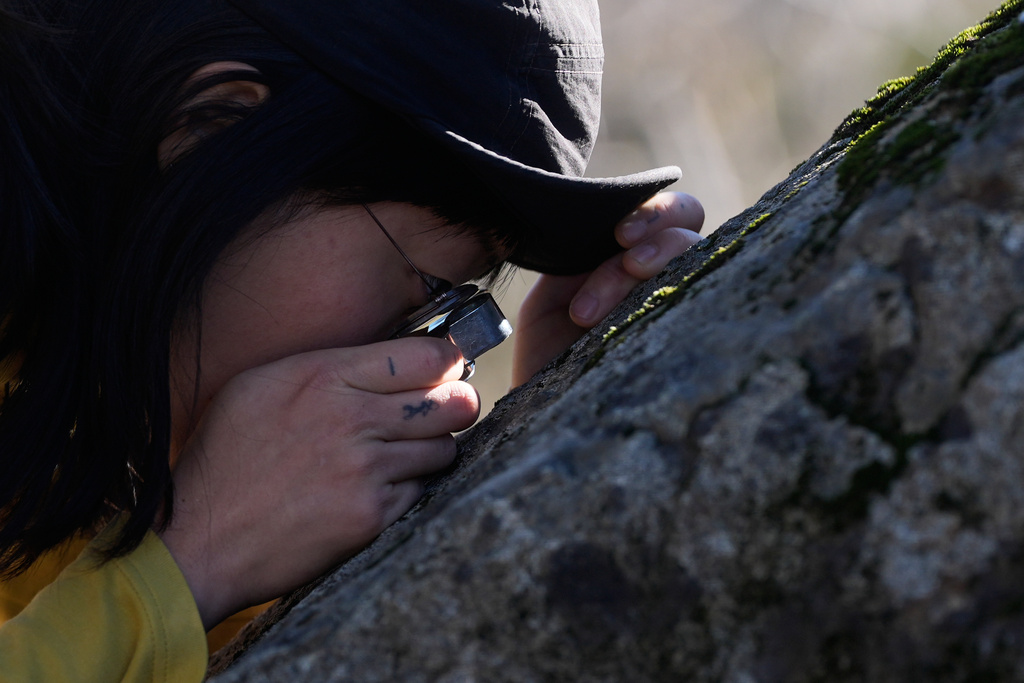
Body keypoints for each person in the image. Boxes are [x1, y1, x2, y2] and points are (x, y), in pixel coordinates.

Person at [0, 0, 704, 679]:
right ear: (209, 124)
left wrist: (541, 457)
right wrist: (196, 561)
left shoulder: (90, 421)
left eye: (458, 312)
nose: (439, 361)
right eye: (423, 289)